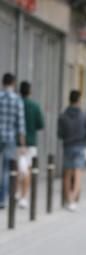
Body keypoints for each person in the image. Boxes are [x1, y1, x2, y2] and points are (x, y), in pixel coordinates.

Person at [57, 90, 86, 212]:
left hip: (68, 146)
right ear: (79, 100)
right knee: (78, 175)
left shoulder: (63, 115)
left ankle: (69, 200)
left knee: (67, 174)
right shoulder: (83, 115)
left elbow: (59, 134)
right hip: (80, 146)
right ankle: (72, 200)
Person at [16, 81, 44, 209]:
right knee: (27, 169)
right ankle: (23, 197)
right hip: (31, 142)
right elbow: (41, 124)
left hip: (16, 142)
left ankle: (15, 193)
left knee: (15, 169)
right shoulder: (34, 106)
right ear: (30, 91)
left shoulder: (17, 104)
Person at [0, 72, 25, 209]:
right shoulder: (17, 100)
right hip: (10, 138)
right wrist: (22, 144)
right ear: (13, 83)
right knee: (5, 169)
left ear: (2, 83)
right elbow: (21, 124)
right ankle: (2, 200)